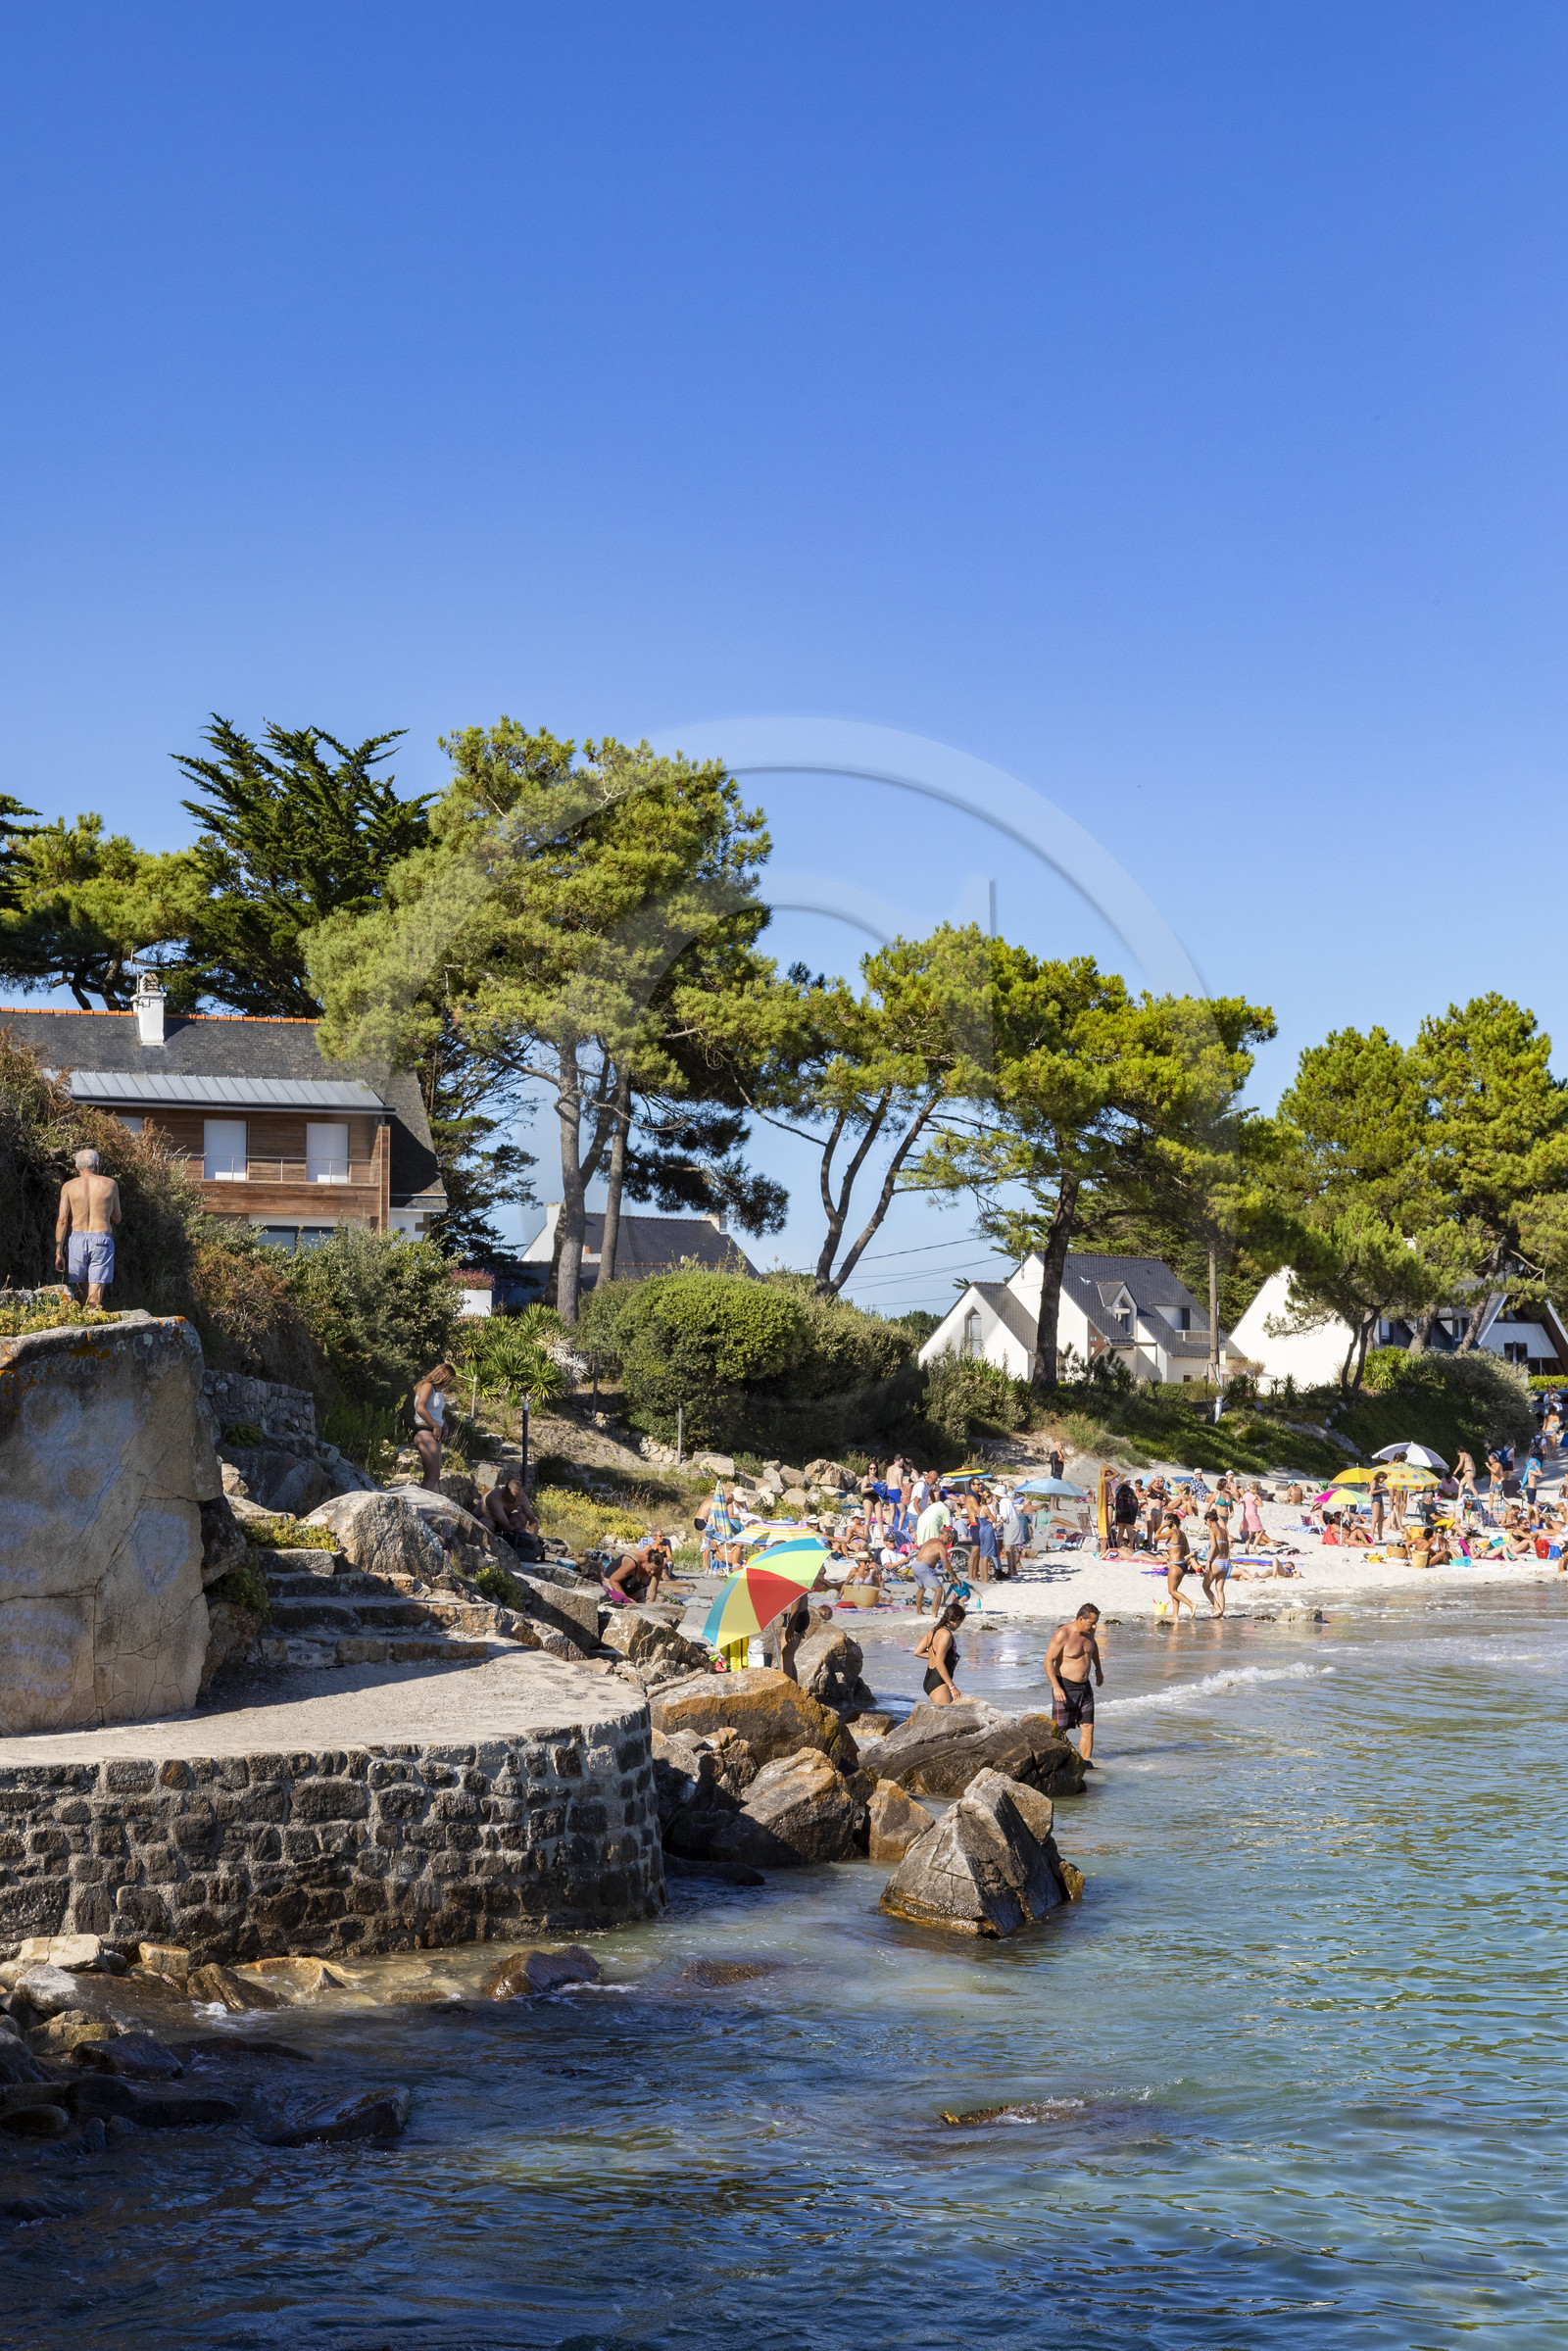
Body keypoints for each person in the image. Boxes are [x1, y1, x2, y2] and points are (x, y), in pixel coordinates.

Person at [55, 1148, 122, 1308]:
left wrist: (58, 1252)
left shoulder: (68, 1187)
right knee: (94, 1297)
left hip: (77, 1240)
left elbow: (62, 1220)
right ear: (97, 1164)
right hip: (101, 1239)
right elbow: (117, 1218)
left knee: (84, 1296)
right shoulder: (110, 1184)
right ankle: (92, 1320)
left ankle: (86, 1321)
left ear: (77, 1167)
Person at [1044, 1603, 1103, 1762]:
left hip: (1085, 1687)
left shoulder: (1090, 1631)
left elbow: (1093, 1647)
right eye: (1092, 1622)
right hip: (1065, 1686)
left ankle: (1086, 1764)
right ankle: (1057, 1763)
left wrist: (1098, 1669)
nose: (1094, 1626)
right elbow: (1048, 1660)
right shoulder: (1063, 1633)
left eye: (1096, 1622)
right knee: (1060, 1730)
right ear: (1081, 1619)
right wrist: (1056, 1687)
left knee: (1088, 1727)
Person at [412, 1363, 457, 1491]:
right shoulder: (428, 1386)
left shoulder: (438, 1390)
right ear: (442, 1376)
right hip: (424, 1431)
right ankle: (425, 1506)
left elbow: (438, 1413)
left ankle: (424, 1504)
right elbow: (420, 1408)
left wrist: (445, 1427)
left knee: (431, 1475)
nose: (449, 1383)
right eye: (448, 1380)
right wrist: (436, 1426)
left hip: (434, 1432)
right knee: (433, 1476)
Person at [913, 1602, 965, 1704]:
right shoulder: (945, 1635)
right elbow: (939, 1663)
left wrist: (936, 1656)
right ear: (957, 1619)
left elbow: (917, 1652)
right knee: (947, 1716)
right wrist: (952, 1687)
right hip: (938, 1682)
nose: (959, 1626)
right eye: (960, 1622)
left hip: (930, 1678)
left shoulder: (933, 1631)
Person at [483, 1473, 541, 1560]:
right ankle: (487, 1551)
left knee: (521, 1517)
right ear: (506, 1492)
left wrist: (532, 1539)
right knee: (488, 1523)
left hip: (504, 1523)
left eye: (518, 1497)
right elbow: (506, 1524)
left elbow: (532, 1520)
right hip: (488, 1519)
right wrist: (520, 1534)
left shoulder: (522, 1498)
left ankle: (517, 1549)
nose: (516, 1500)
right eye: (513, 1497)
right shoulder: (495, 1497)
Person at [1161, 1509, 1196, 1621]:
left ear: (1169, 1522)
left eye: (1166, 1522)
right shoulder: (1182, 1534)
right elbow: (1186, 1551)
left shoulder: (1172, 1531)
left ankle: (1191, 1604)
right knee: (1174, 1590)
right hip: (1183, 1564)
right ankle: (1175, 1615)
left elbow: (1156, 1536)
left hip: (1175, 1564)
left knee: (1171, 1591)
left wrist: (1162, 1526)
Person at [1200, 1507, 1231, 1615]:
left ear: (1209, 1520)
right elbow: (1227, 1547)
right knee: (1220, 1589)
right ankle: (1221, 1614)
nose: (1206, 1524)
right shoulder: (1223, 1531)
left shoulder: (1212, 1530)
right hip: (1225, 1562)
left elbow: (1213, 1546)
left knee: (1205, 1587)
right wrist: (1228, 1560)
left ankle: (1217, 1608)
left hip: (1216, 1562)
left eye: (1206, 1522)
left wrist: (1208, 1562)